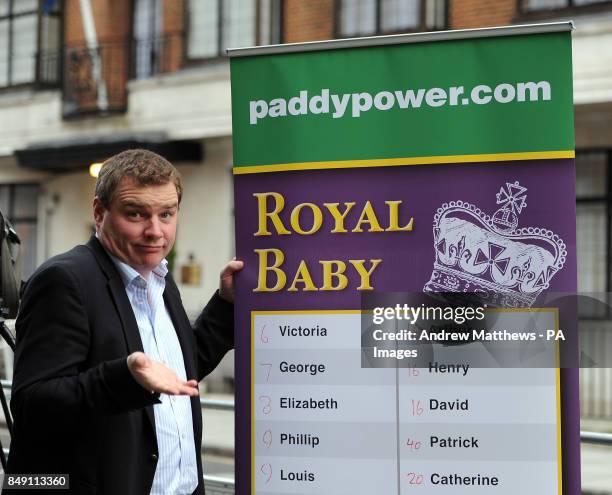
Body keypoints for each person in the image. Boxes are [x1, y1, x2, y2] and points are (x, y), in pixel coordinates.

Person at [6, 149, 243, 494]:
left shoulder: (159, 279)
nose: (155, 231)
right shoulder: (63, 280)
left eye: (167, 214)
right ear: (99, 213)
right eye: (136, 214)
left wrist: (225, 305)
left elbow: (177, 373)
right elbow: (33, 405)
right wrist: (125, 376)